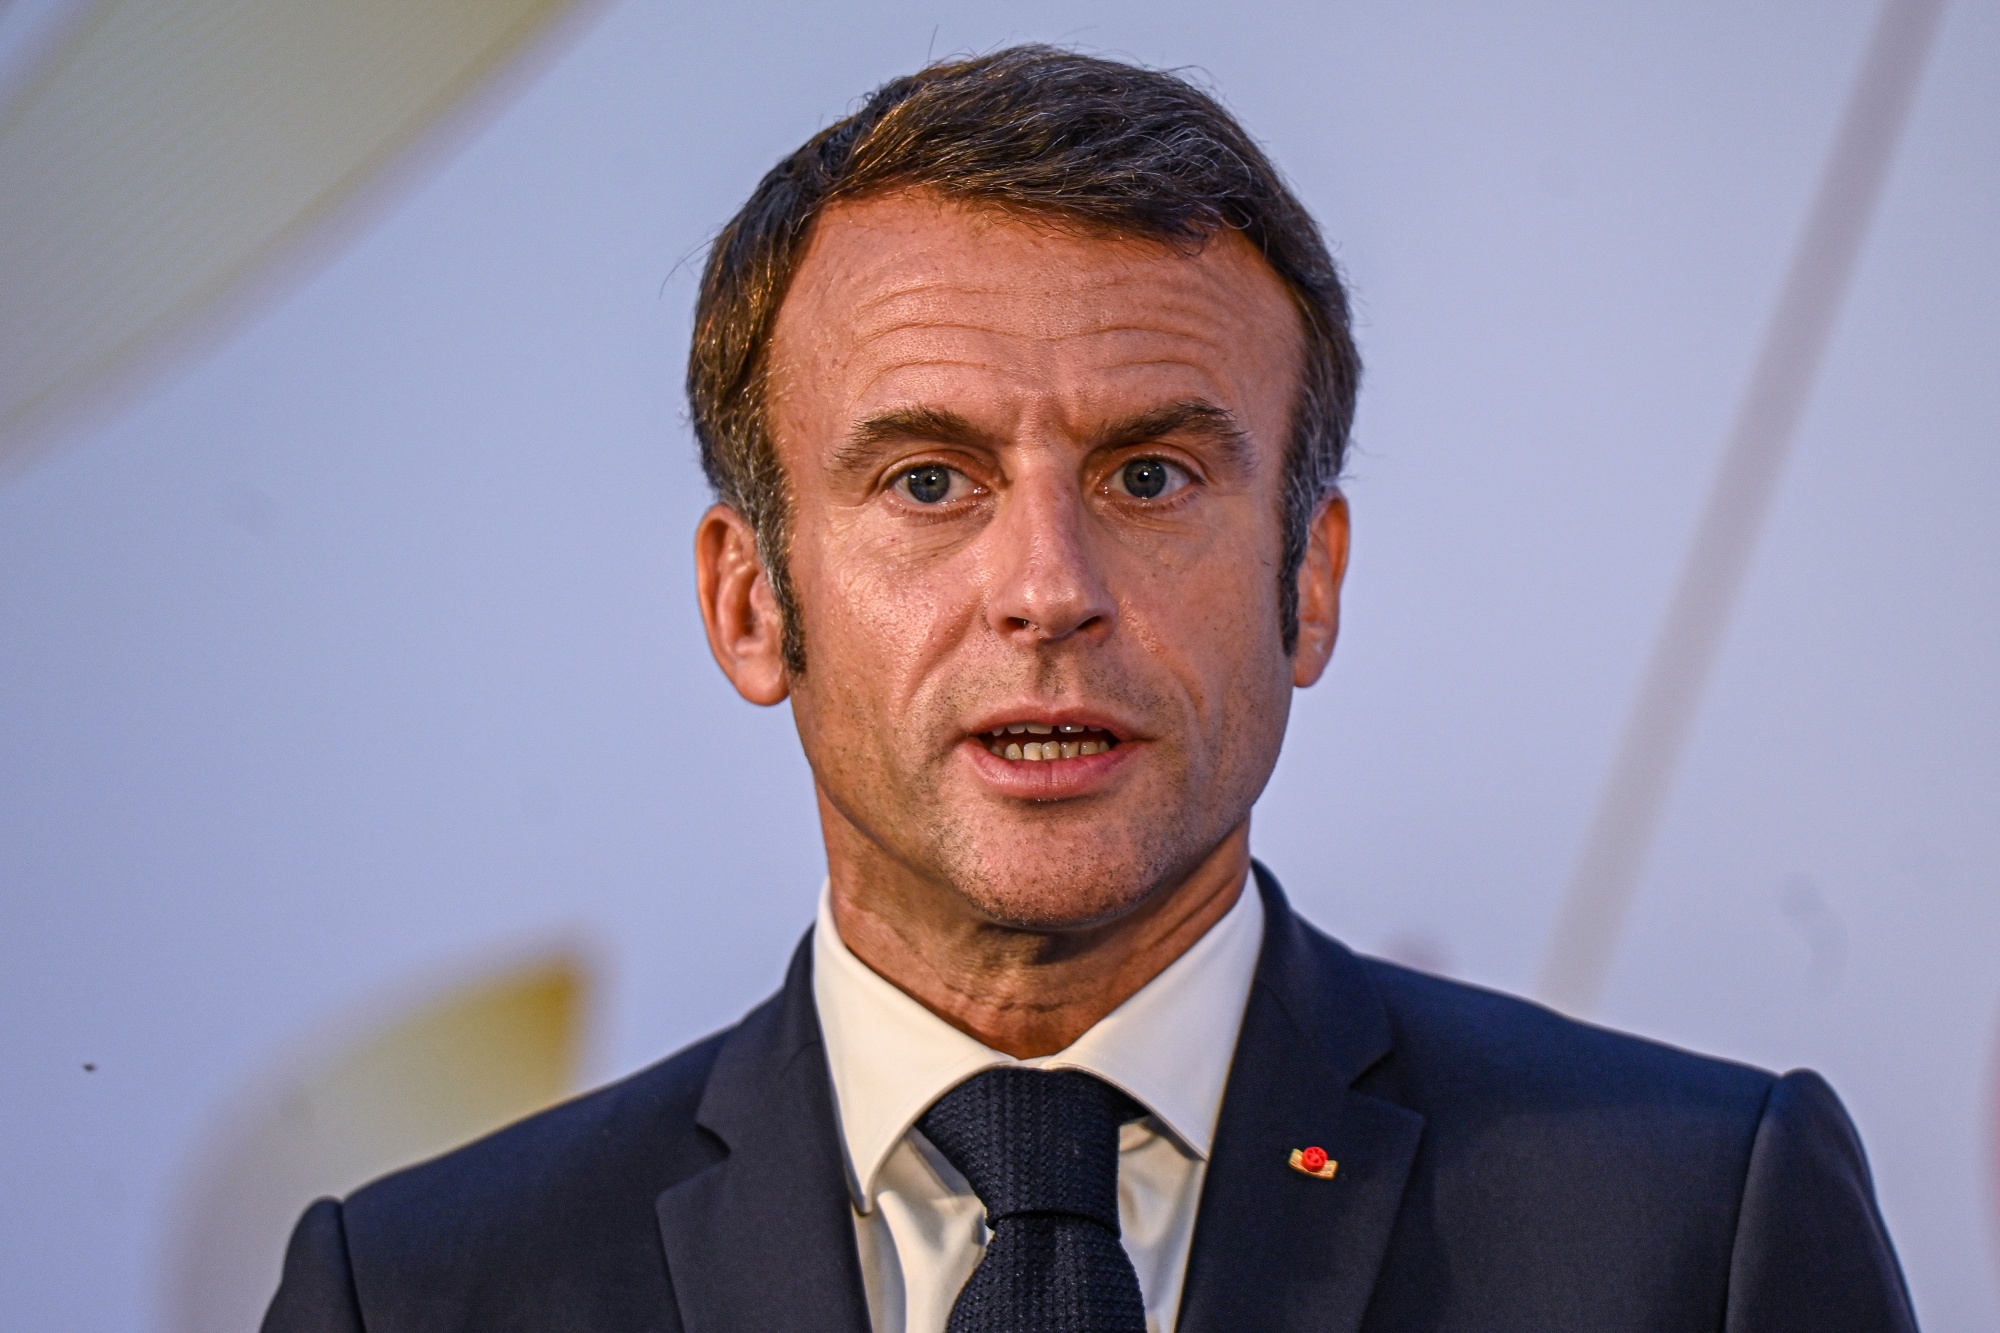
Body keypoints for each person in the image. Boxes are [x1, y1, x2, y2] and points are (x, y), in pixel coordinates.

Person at [262, 46, 1916, 1333]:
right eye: (928, 481)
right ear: (750, 601)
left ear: (1309, 579)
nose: (1050, 586)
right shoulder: (419, 1293)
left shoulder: (1695, 1223)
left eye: (1150, 475)